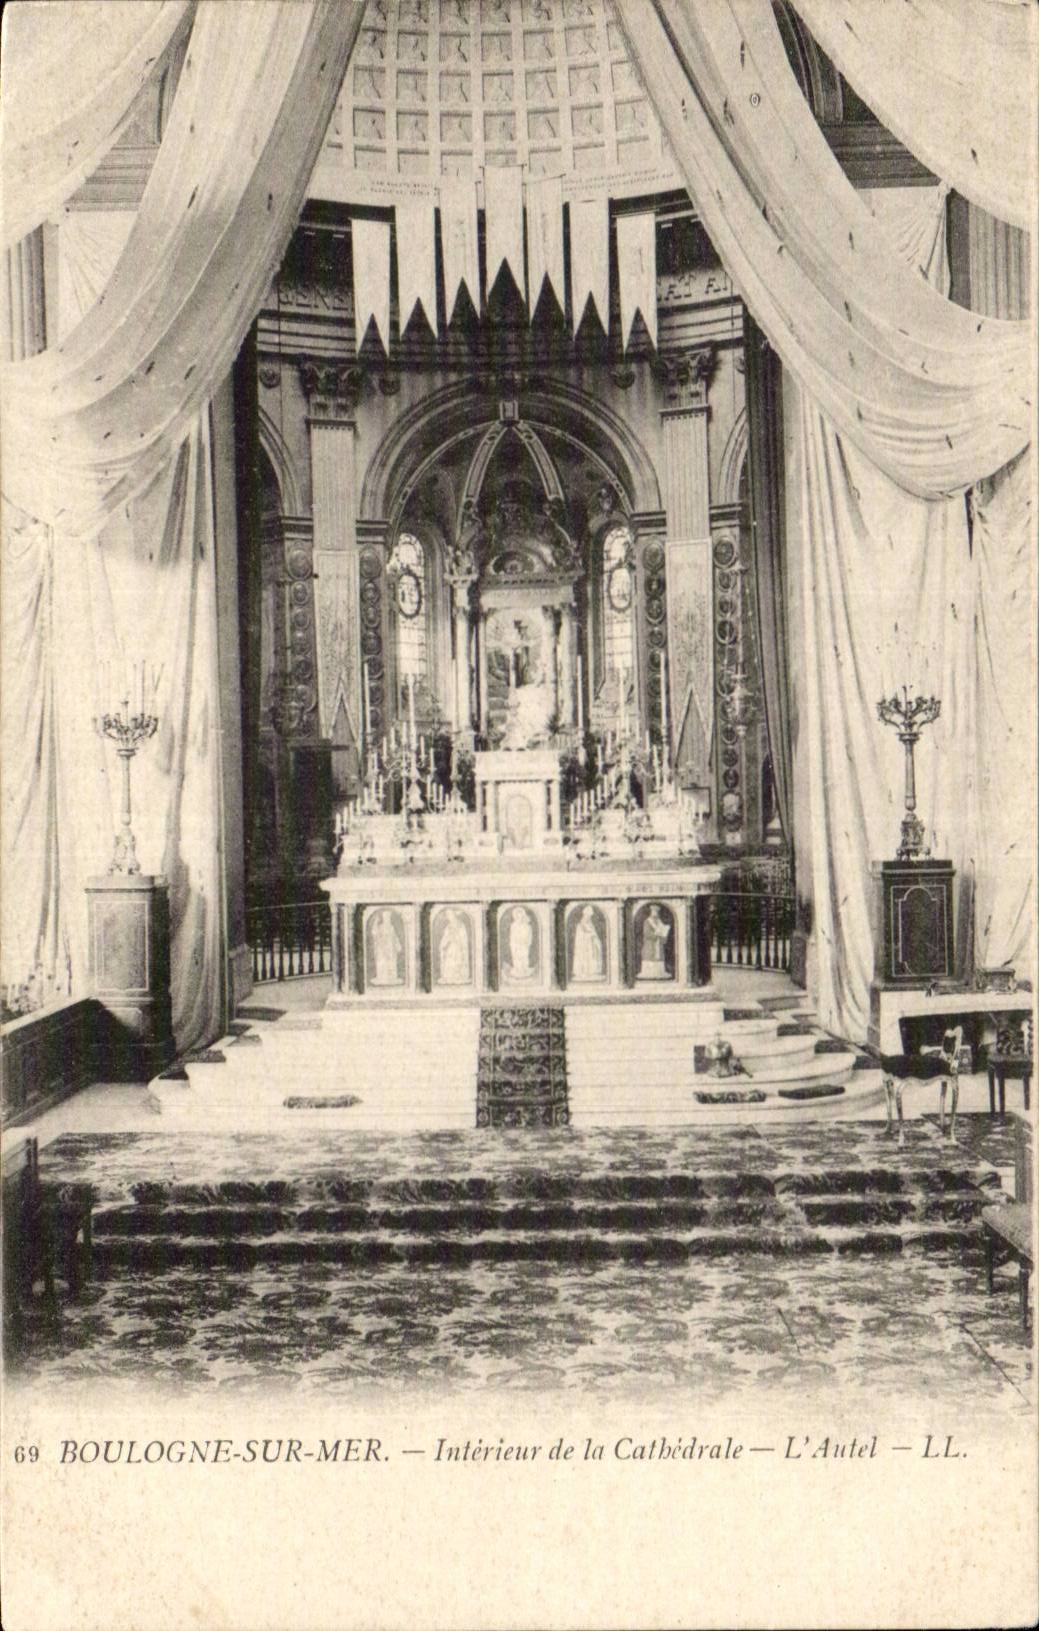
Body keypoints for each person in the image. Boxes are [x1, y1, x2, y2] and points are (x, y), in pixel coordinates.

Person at [637, 904, 671, 980]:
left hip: (658, 943)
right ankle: (649, 974)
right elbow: (647, 933)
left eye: (656, 911)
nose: (655, 913)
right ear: (651, 912)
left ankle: (659, 973)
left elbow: (662, 930)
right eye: (654, 911)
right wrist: (657, 934)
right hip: (650, 944)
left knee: (659, 957)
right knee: (650, 956)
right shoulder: (647, 921)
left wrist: (664, 933)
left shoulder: (659, 921)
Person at [369, 909, 402, 986]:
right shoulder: (380, 927)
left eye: (388, 918)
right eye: (386, 918)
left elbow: (395, 937)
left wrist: (398, 945)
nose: (387, 919)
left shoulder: (391, 927)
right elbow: (374, 933)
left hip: (390, 948)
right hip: (382, 948)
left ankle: (391, 978)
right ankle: (382, 978)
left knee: (391, 962)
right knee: (383, 962)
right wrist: (375, 923)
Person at [438, 909, 471, 986]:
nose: (449, 917)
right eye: (448, 915)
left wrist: (456, 938)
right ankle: (450, 977)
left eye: (450, 914)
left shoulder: (460, 925)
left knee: (458, 960)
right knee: (449, 962)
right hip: (450, 947)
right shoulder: (448, 927)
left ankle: (458, 977)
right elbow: (445, 938)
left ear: (454, 915)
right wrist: (443, 944)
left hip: (458, 947)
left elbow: (463, 938)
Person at [572, 905, 605, 981]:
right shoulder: (580, 925)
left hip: (591, 944)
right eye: (588, 916)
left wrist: (595, 939)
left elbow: (593, 933)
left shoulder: (590, 924)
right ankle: (583, 972)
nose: (589, 917)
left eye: (590, 916)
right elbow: (580, 937)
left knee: (592, 957)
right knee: (585, 958)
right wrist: (589, 936)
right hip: (584, 946)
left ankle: (591, 972)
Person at [504, 907, 535, 980]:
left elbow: (530, 936)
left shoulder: (527, 926)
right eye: (517, 916)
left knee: (524, 956)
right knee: (517, 957)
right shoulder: (513, 925)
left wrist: (527, 942)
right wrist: (513, 944)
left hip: (524, 944)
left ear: (523, 916)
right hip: (516, 944)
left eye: (521, 916)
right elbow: (512, 936)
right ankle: (518, 970)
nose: (519, 917)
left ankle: (524, 970)